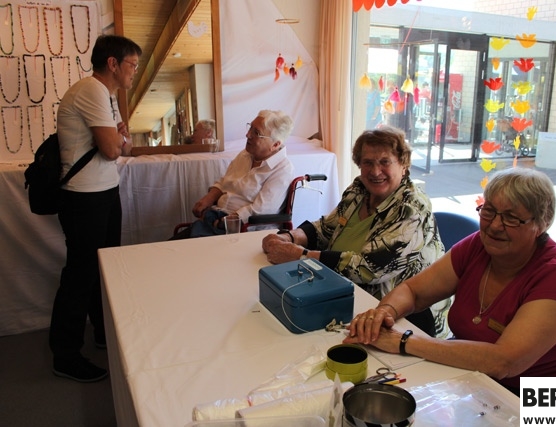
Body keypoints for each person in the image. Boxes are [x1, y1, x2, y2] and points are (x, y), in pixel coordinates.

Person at [343, 168, 556, 394]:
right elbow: (413, 291)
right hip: (480, 376)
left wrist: (403, 341)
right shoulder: (479, 246)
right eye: (489, 211)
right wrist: (384, 312)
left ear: (543, 223)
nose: (494, 226)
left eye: (511, 218)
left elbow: (503, 362)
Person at [262, 126, 449, 337]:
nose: (375, 171)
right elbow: (326, 227)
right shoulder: (359, 189)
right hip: (342, 292)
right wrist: (289, 237)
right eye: (368, 162)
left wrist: (300, 256)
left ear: (403, 165)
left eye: (385, 162)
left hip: (402, 317)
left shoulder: (411, 208)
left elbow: (370, 268)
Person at [50, 35, 142, 382]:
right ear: (113, 64)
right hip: (84, 196)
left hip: (103, 191)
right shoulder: (91, 90)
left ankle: (103, 332)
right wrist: (117, 140)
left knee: (103, 267)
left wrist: (118, 139)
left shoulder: (107, 95)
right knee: (81, 273)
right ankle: (65, 355)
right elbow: (112, 149)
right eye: (132, 64)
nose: (134, 71)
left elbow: (123, 146)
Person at [172, 110, 294, 239]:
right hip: (216, 218)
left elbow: (261, 210)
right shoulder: (245, 154)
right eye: (250, 128)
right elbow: (225, 182)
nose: (248, 135)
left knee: (178, 248)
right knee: (169, 246)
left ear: (275, 144)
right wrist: (208, 198)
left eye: (256, 133)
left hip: (242, 231)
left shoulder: (283, 169)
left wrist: (224, 222)